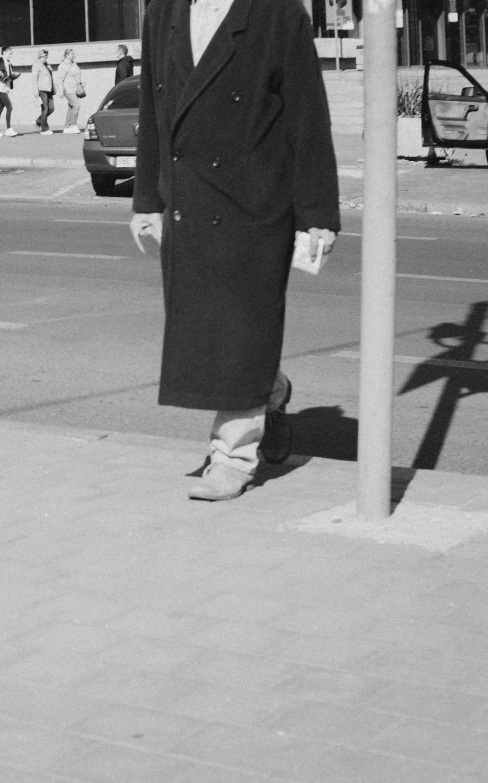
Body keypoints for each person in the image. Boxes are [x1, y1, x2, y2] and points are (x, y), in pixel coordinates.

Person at [130, 0, 340, 501]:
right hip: (187, 204)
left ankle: (233, 457)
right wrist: (145, 200)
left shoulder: (278, 16)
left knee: (241, 329)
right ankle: (270, 389)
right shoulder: (161, 13)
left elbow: (309, 117)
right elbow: (153, 110)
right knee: (210, 332)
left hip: (254, 203)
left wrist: (317, 214)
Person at [0, 46, 21, 137]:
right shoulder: (0, 61)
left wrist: (15, 76)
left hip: (6, 88)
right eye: (10, 53)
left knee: (0, 109)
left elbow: (8, 78)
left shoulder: (9, 63)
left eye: (11, 54)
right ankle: (8, 129)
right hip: (0, 88)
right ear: (4, 53)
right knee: (10, 107)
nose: (11, 55)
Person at [56, 48, 83, 133]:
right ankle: (73, 125)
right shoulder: (63, 65)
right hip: (68, 89)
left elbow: (77, 75)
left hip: (74, 89)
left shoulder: (74, 64)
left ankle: (67, 127)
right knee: (76, 106)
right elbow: (60, 79)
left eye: (73, 54)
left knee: (71, 107)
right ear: (67, 55)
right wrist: (60, 91)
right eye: (72, 54)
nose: (73, 55)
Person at [31, 49, 55, 135]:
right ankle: (44, 129)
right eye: (45, 57)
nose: (46, 58)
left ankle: (38, 121)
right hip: (42, 90)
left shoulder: (46, 65)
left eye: (47, 57)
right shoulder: (36, 65)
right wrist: (36, 93)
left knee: (51, 108)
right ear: (41, 56)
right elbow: (34, 79)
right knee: (45, 109)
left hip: (49, 89)